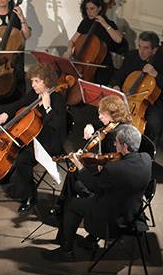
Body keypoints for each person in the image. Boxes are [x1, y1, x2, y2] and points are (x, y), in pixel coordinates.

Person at [51, 124, 152, 262]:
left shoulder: (114, 170)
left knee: (72, 204)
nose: (114, 145)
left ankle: (66, 251)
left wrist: (80, 166)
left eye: (116, 143)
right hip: (132, 214)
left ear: (124, 147)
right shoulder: (146, 159)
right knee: (82, 189)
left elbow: (93, 186)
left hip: (111, 222)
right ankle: (85, 241)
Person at [0, 63, 68, 212]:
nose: (33, 85)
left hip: (50, 141)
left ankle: (30, 196)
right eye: (32, 81)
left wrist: (47, 108)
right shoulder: (34, 94)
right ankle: (10, 176)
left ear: (47, 81)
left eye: (37, 81)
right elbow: (20, 103)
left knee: (22, 160)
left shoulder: (57, 99)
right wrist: (6, 113)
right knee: (14, 147)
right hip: (33, 137)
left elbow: (56, 126)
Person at [47, 95, 133, 224]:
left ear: (112, 115)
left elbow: (111, 163)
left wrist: (87, 160)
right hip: (105, 165)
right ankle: (62, 207)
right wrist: (91, 125)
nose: (99, 116)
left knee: (76, 173)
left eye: (101, 114)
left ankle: (69, 208)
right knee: (73, 170)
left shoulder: (117, 136)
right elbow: (99, 124)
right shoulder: (114, 124)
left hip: (111, 176)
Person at [109, 31, 163, 147]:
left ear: (155, 49)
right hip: (130, 97)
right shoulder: (132, 56)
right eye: (140, 46)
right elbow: (119, 75)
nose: (141, 51)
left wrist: (156, 74)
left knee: (153, 122)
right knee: (111, 112)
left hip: (155, 102)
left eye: (146, 48)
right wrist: (116, 85)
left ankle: (147, 149)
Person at [68, 0, 126, 84]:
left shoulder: (109, 24)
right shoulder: (86, 22)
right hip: (82, 63)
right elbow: (72, 41)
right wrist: (68, 50)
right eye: (87, 9)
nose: (88, 12)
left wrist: (104, 24)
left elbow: (119, 39)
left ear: (99, 8)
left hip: (101, 66)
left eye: (92, 8)